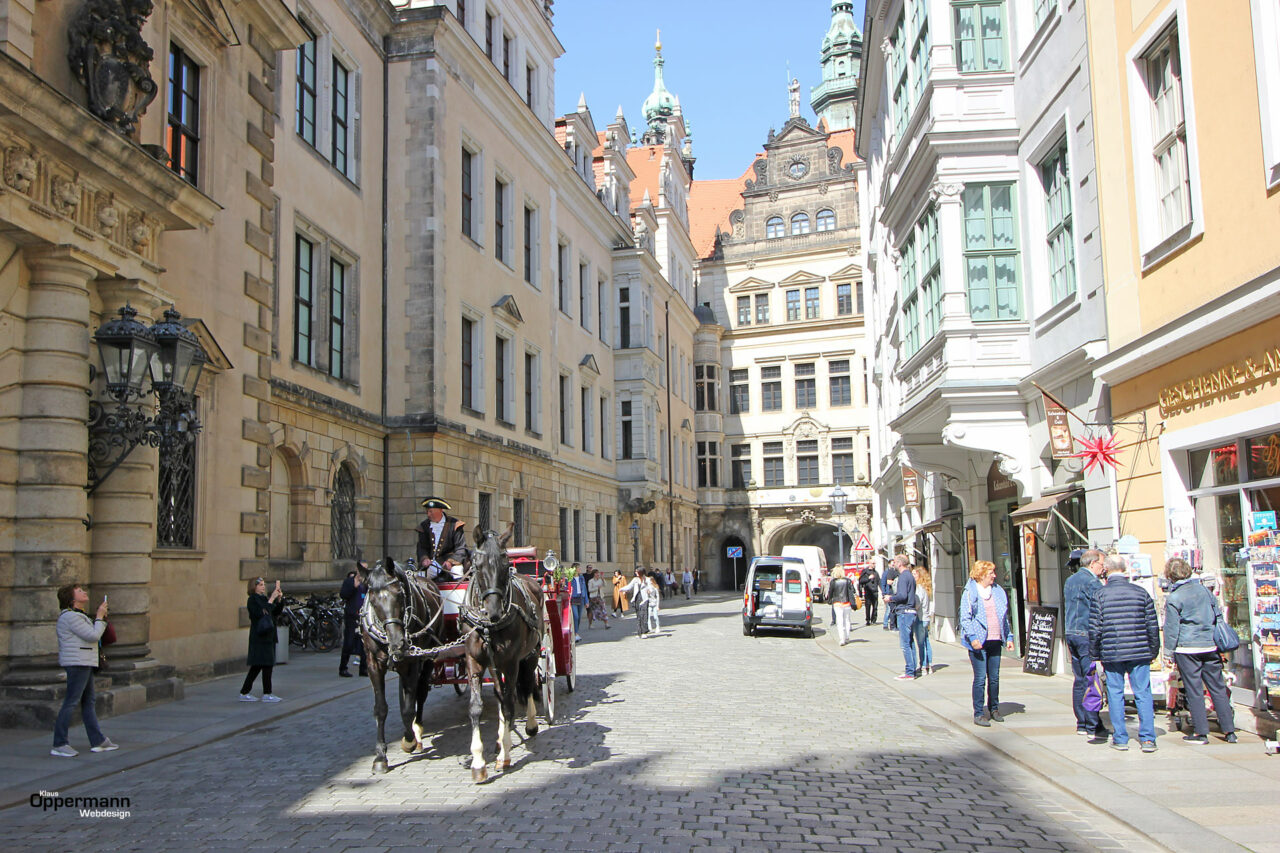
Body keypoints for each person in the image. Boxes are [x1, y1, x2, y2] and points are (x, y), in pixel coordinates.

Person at [1090, 555, 1160, 752]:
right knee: (1143, 693)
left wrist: (1095, 653)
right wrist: (1153, 650)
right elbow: (1152, 625)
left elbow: (1095, 627)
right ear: (1124, 569)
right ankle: (1147, 738)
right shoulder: (1141, 593)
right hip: (1139, 650)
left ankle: (1121, 737)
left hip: (1112, 651)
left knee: (1115, 693)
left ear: (1106, 570)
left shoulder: (1100, 595)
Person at [1163, 557, 1237, 745]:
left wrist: (1168, 653)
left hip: (1187, 648)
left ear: (1170, 576)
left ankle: (1201, 732)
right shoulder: (1205, 591)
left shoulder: (1174, 597)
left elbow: (1172, 628)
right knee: (1217, 688)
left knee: (1194, 689)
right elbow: (1217, 615)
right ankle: (1229, 731)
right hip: (1210, 644)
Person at [51, 584, 117, 757]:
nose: (84, 592)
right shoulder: (70, 617)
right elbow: (93, 635)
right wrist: (100, 617)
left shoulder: (78, 616)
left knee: (89, 702)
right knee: (71, 702)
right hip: (77, 663)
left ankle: (98, 741)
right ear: (72, 599)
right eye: (80, 591)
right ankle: (59, 743)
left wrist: (99, 619)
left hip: (84, 662)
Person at [959, 560, 1013, 727]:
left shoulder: (998, 591)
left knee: (994, 678)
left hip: (995, 639)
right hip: (978, 641)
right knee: (981, 678)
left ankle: (994, 708)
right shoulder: (970, 592)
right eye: (991, 573)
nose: (994, 576)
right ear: (981, 575)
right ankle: (979, 713)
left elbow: (1004, 616)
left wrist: (1009, 637)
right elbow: (965, 618)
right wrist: (973, 638)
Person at [1063, 548, 1106, 738]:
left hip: (1071, 632)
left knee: (1079, 679)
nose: (1103, 568)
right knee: (1091, 679)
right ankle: (1092, 723)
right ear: (1092, 563)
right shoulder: (1092, 582)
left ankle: (1081, 722)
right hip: (1085, 634)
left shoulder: (1070, 580)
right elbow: (1101, 608)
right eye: (1101, 564)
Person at [241, 577, 286, 702]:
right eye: (260, 585)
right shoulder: (252, 600)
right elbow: (262, 613)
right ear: (254, 587)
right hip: (260, 636)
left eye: (264, 584)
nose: (263, 586)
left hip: (269, 635)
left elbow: (274, 612)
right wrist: (271, 599)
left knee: (259, 666)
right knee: (265, 665)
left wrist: (279, 599)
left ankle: (245, 692)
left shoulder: (263, 599)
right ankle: (266, 693)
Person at [414, 496, 468, 582]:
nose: (428, 514)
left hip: (451, 562)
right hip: (432, 564)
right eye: (427, 511)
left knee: (457, 572)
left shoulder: (454, 524)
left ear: (440, 510)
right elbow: (422, 547)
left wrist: (451, 562)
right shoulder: (424, 526)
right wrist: (425, 559)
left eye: (431, 511)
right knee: (418, 579)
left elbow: (461, 548)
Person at [886, 556, 918, 680]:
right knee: (910, 642)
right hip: (911, 611)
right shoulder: (909, 575)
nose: (893, 564)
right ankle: (913, 669)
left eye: (895, 562)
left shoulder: (904, 576)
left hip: (904, 612)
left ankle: (910, 672)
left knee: (905, 644)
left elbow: (902, 595)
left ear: (899, 563)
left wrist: (891, 598)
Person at [338, 563, 368, 678]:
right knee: (349, 643)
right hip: (352, 616)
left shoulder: (366, 583)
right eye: (362, 568)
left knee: (364, 644)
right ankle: (343, 668)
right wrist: (353, 587)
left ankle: (363, 668)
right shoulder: (350, 581)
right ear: (357, 569)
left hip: (363, 617)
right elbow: (343, 595)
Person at [913, 565, 934, 676]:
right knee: (926, 642)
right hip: (925, 617)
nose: (913, 576)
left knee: (921, 643)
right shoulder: (925, 587)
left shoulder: (919, 588)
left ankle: (924, 665)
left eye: (915, 574)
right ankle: (929, 664)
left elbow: (917, 603)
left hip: (920, 618)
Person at [827, 567, 856, 646]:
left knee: (839, 621)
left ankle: (842, 639)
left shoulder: (833, 582)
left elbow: (830, 592)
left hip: (837, 603)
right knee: (847, 620)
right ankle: (847, 637)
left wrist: (829, 601)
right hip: (847, 603)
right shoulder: (847, 581)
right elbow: (853, 590)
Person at [623, 570, 650, 637]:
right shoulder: (635, 579)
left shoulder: (647, 579)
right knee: (638, 615)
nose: (635, 572)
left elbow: (651, 587)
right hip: (637, 598)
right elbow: (629, 586)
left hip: (644, 599)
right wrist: (621, 589)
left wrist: (650, 591)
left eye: (637, 571)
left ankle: (644, 632)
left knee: (644, 614)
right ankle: (639, 632)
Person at [569, 565, 588, 641]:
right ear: (575, 569)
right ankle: (575, 633)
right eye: (578, 568)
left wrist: (586, 601)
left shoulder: (581, 578)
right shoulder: (570, 578)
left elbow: (585, 589)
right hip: (573, 598)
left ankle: (576, 631)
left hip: (581, 598)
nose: (580, 569)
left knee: (579, 617)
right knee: (575, 616)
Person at [881, 558, 901, 631]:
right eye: (892, 564)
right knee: (889, 610)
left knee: (893, 610)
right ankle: (886, 624)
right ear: (889, 564)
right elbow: (883, 583)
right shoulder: (887, 572)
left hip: (894, 593)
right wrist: (884, 594)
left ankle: (895, 625)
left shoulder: (897, 571)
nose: (893, 565)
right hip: (888, 593)